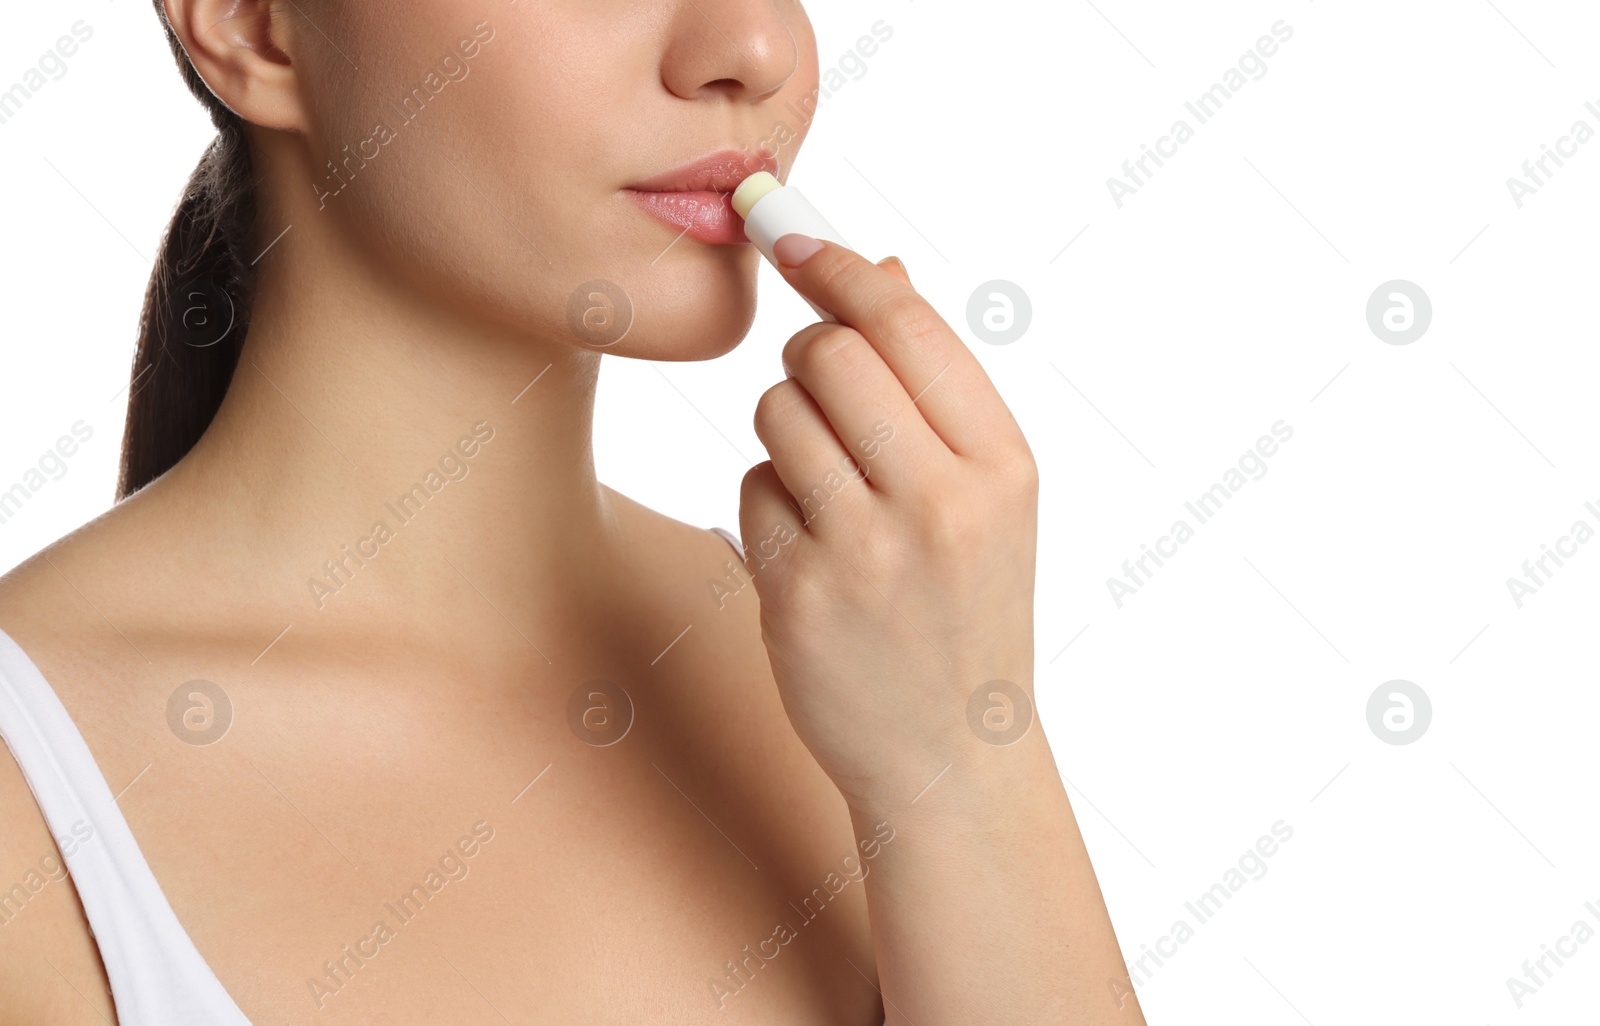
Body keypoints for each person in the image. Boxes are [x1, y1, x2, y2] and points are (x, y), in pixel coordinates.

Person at [0, 0, 1148, 1022]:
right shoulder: (30, 811)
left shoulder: (880, 666)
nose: (751, 46)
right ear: (250, 26)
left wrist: (964, 761)